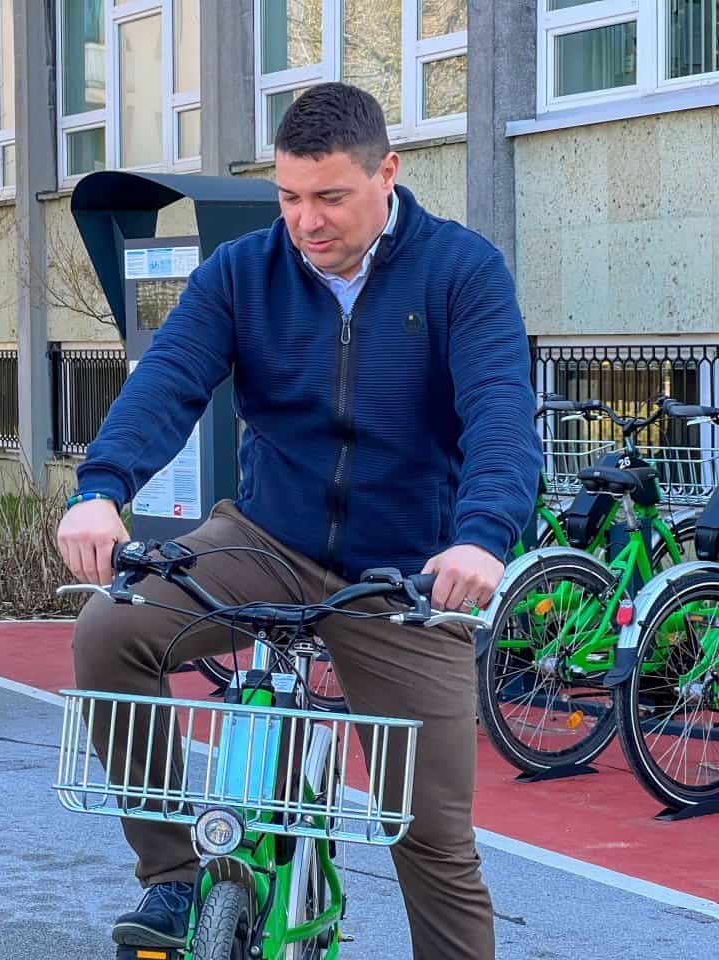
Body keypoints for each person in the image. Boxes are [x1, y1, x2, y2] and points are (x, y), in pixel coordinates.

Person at [56, 83, 543, 958]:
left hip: (405, 572)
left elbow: (501, 417)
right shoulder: (245, 271)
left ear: (386, 174)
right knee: (110, 631)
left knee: (430, 834)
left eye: (330, 197)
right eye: (289, 197)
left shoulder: (460, 273)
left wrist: (482, 538)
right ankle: (172, 882)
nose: (306, 222)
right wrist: (99, 487)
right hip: (266, 541)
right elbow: (167, 380)